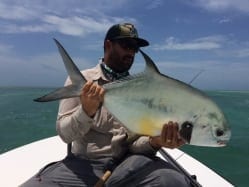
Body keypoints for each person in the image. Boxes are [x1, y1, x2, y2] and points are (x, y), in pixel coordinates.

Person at [21, 23, 191, 187]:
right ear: (108, 45)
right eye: (126, 45)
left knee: (174, 181)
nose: (131, 52)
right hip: (84, 164)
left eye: (135, 48)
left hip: (128, 163)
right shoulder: (84, 81)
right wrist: (86, 111)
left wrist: (155, 141)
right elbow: (65, 135)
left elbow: (136, 144)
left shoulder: (141, 90)